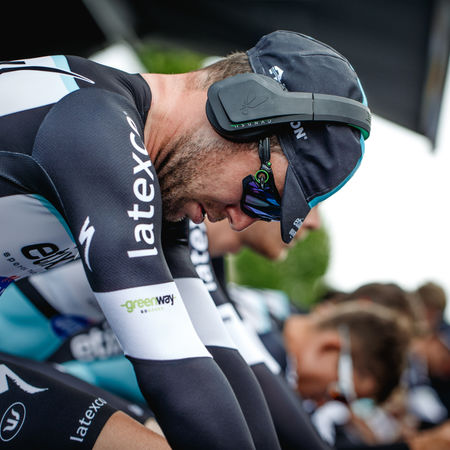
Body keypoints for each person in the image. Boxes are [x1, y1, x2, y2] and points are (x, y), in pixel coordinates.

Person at [0, 30, 369, 448]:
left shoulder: (151, 181)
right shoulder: (94, 124)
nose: (242, 220)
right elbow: (172, 368)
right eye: (264, 194)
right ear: (241, 108)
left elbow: (223, 357)